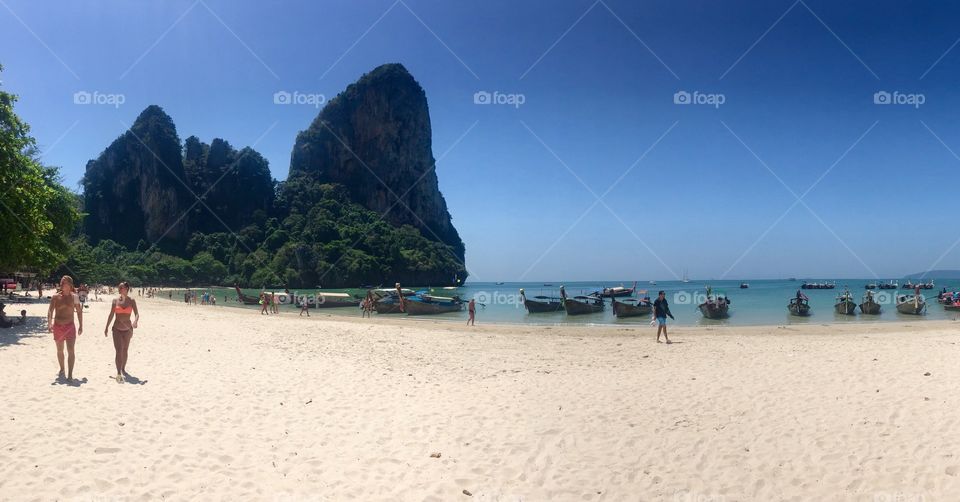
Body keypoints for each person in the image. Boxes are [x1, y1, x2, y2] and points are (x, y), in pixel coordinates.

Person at [47, 275, 83, 381]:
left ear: (70, 284)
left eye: (65, 282)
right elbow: (50, 311)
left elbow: (79, 312)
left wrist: (81, 325)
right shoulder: (55, 297)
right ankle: (62, 369)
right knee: (60, 350)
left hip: (70, 326)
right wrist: (49, 323)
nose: (62, 283)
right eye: (62, 282)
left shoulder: (74, 297)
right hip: (58, 326)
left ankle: (70, 374)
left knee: (71, 350)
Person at [103, 281, 139, 383]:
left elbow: (137, 314)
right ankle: (118, 373)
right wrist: (106, 327)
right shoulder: (115, 301)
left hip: (128, 330)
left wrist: (135, 321)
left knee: (125, 350)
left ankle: (123, 368)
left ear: (127, 289)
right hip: (117, 329)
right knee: (119, 351)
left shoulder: (132, 300)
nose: (119, 289)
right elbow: (111, 315)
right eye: (119, 288)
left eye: (121, 288)